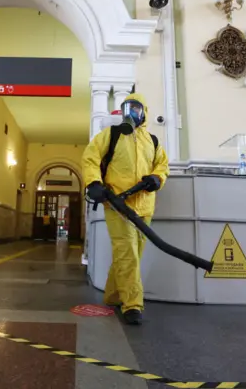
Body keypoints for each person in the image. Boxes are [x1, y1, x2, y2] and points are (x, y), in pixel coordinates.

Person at [81, 93, 169, 325]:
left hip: (145, 207)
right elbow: (90, 157)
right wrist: (93, 183)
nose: (130, 113)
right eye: (126, 108)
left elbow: (162, 165)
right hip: (117, 205)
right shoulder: (111, 135)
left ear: (144, 112)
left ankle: (113, 295)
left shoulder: (153, 141)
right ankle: (132, 305)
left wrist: (157, 179)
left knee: (131, 255)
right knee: (127, 253)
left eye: (136, 108)